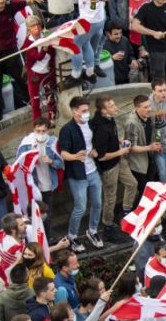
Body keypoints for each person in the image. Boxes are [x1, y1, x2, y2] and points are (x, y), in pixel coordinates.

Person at [0, 0, 40, 120]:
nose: (0, 1)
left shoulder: (11, 5)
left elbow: (28, 1)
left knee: (22, 78)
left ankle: (31, 101)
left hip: (11, 49)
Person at [91, 95, 138, 243]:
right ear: (103, 111)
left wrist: (120, 141)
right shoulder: (100, 129)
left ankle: (126, 211)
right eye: (111, 106)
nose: (115, 107)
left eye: (114, 104)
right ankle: (108, 225)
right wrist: (121, 152)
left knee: (132, 183)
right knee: (110, 197)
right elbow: (102, 156)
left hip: (119, 159)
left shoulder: (109, 120)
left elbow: (113, 135)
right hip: (109, 166)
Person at [59, 96, 104, 252]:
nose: (87, 113)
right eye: (83, 111)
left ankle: (92, 230)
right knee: (80, 207)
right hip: (78, 175)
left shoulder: (90, 124)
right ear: (74, 111)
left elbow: (91, 144)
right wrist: (75, 157)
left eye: (87, 110)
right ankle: (72, 236)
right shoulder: (67, 129)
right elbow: (63, 153)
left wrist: (93, 152)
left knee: (98, 203)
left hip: (93, 171)